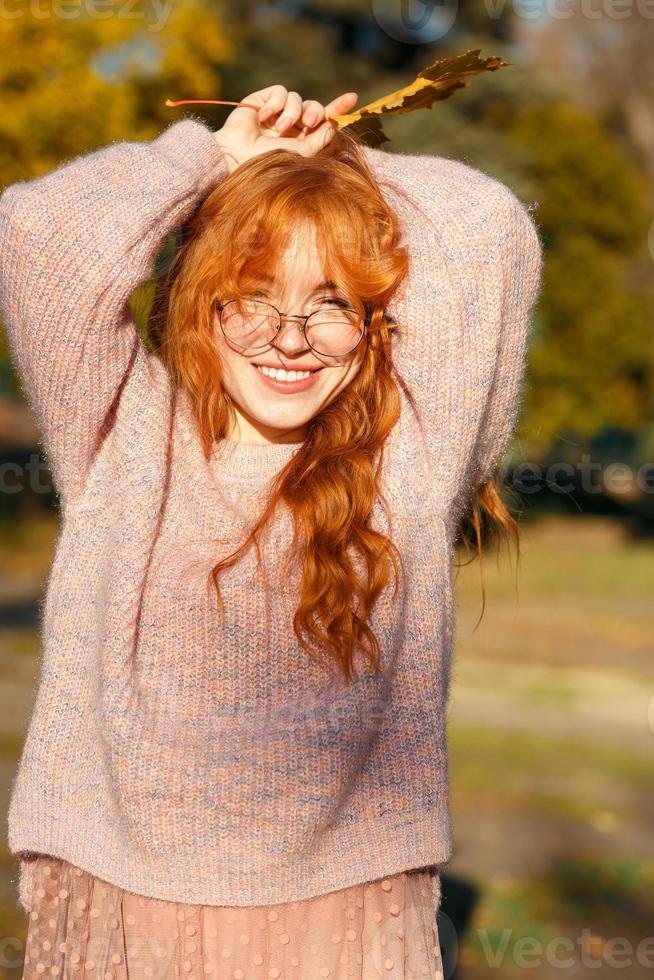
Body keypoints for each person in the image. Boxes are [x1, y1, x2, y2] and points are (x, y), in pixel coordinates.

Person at [0, 83, 543, 979]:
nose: (290, 338)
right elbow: (40, 234)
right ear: (199, 307)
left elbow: (490, 233)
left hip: (340, 916)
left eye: (331, 301)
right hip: (131, 906)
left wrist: (340, 153)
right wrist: (217, 156)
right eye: (252, 297)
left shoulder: (406, 465)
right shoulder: (124, 440)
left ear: (373, 328)